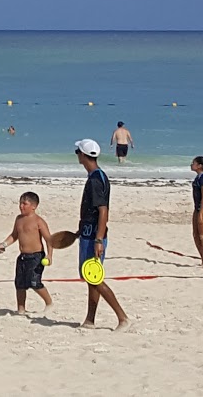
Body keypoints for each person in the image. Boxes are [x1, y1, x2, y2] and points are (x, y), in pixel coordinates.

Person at [73, 139, 129, 330]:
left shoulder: (96, 179)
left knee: (93, 278)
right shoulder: (97, 176)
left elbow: (103, 211)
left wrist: (98, 239)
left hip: (94, 237)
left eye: (77, 152)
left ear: (83, 155)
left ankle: (122, 317)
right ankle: (90, 319)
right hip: (88, 233)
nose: (76, 155)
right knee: (91, 278)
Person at [0, 191, 54, 314]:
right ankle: (21, 309)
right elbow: (14, 235)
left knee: (34, 282)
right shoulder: (18, 219)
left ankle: (49, 303)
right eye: (20, 203)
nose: (21, 206)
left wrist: (50, 255)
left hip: (36, 256)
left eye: (24, 204)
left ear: (33, 206)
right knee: (19, 283)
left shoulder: (38, 221)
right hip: (22, 257)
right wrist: (4, 244)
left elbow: (49, 240)